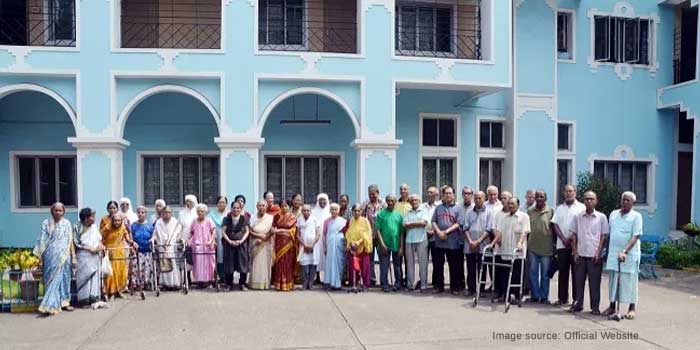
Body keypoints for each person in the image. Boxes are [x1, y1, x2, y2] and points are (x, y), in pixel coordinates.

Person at [603, 191, 643, 320]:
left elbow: (635, 236)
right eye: (623, 200)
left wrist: (624, 251)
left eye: (628, 200)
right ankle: (612, 306)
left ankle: (632, 308)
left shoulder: (636, 216)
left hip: (629, 255)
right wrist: (605, 251)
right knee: (614, 280)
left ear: (633, 203)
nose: (625, 202)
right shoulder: (613, 214)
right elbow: (609, 234)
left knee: (630, 281)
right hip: (614, 253)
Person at [569, 191, 609, 314]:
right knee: (578, 282)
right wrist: (575, 252)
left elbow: (603, 236)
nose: (589, 201)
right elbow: (574, 235)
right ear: (584, 201)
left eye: (591, 199)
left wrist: (599, 253)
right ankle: (578, 304)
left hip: (594, 256)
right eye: (586, 199)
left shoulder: (601, 217)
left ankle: (595, 307)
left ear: (596, 201)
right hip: (580, 254)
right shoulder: (577, 216)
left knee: (595, 283)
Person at [34, 202, 75, 315]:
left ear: (63, 212)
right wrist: (41, 259)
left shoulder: (67, 223)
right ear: (52, 211)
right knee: (51, 279)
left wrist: (74, 256)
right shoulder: (46, 223)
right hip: (50, 255)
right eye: (55, 210)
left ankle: (65, 302)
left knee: (65, 278)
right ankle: (50, 304)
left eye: (60, 210)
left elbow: (70, 240)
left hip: (64, 256)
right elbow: (41, 241)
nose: (58, 212)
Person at [551, 185, 586, 306]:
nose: (568, 193)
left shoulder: (582, 207)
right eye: (566, 191)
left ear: (575, 193)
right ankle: (562, 298)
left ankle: (577, 299)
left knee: (577, 274)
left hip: (576, 246)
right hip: (562, 245)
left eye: (571, 191)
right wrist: (563, 239)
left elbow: (583, 225)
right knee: (563, 272)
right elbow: (554, 225)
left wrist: (570, 238)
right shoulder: (560, 208)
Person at [491, 197, 530, 302]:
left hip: (517, 251)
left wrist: (520, 243)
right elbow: (499, 232)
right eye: (509, 204)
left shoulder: (523, 216)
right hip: (505, 250)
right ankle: (506, 294)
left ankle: (516, 295)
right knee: (505, 274)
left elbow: (525, 232)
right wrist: (492, 243)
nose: (510, 206)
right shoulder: (504, 217)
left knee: (517, 274)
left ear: (518, 205)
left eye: (512, 204)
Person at [431, 186, 464, 294]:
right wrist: (439, 232)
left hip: (453, 242)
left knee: (454, 266)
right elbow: (433, 221)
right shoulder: (438, 208)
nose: (448, 195)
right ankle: (438, 286)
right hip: (439, 241)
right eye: (446, 193)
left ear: (453, 195)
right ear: (443, 195)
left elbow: (459, 223)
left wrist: (446, 232)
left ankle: (454, 287)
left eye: (450, 193)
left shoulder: (458, 208)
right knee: (438, 266)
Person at [525, 190, 555, 304]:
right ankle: (535, 295)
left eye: (541, 196)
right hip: (532, 246)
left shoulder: (551, 211)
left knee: (545, 274)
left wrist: (555, 246)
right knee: (532, 272)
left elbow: (554, 228)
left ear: (545, 198)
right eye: (537, 197)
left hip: (546, 247)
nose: (539, 198)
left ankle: (544, 297)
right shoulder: (530, 211)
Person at [463, 191, 493, 296]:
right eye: (475, 198)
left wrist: (478, 241)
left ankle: (481, 289)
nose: (477, 200)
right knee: (470, 267)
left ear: (484, 198)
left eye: (479, 198)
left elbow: (489, 229)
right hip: (470, 244)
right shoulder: (469, 212)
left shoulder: (489, 212)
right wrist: (471, 241)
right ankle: (471, 289)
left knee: (482, 268)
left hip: (483, 244)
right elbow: (465, 228)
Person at [74, 207, 104, 307]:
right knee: (84, 278)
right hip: (83, 257)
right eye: (92, 216)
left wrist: (100, 246)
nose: (94, 218)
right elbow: (76, 243)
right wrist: (89, 249)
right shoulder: (77, 227)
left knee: (94, 277)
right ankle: (83, 300)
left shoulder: (94, 227)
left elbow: (99, 239)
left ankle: (94, 298)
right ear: (86, 218)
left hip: (95, 256)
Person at [102, 214, 135, 299]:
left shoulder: (123, 228)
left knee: (121, 272)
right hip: (110, 251)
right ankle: (111, 292)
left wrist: (133, 243)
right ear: (112, 221)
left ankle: (119, 291)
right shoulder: (107, 228)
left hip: (120, 251)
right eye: (115, 220)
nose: (117, 222)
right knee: (111, 273)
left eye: (119, 220)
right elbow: (101, 239)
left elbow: (127, 238)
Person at [221, 201, 250, 291]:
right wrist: (229, 241)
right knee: (229, 264)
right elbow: (223, 231)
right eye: (234, 207)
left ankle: (242, 284)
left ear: (241, 209)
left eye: (238, 208)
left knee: (242, 264)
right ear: (231, 208)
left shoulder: (244, 218)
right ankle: (229, 284)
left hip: (241, 245)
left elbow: (247, 231)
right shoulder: (227, 218)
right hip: (229, 245)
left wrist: (241, 240)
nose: (236, 209)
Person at [403, 194, 429, 292]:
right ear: (410, 202)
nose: (414, 202)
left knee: (423, 263)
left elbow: (424, 223)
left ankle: (423, 285)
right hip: (409, 240)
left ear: (419, 201)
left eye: (416, 200)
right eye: (412, 200)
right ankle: (410, 285)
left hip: (422, 239)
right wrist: (416, 223)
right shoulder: (407, 212)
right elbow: (404, 224)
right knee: (410, 264)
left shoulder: (423, 211)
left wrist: (411, 224)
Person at [362, 184, 387, 286]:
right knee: (370, 259)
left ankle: (383, 281)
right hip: (369, 236)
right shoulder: (365, 204)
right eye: (369, 194)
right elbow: (362, 218)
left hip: (381, 235)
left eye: (373, 194)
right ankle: (371, 279)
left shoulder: (384, 204)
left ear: (378, 193)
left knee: (383, 259)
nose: (371, 196)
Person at [154, 206, 183, 290]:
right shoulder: (158, 222)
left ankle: (175, 284)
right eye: (165, 212)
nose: (167, 214)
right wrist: (153, 239)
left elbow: (178, 234)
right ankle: (165, 284)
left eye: (169, 212)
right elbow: (155, 234)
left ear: (171, 213)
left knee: (173, 264)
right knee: (164, 264)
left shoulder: (176, 222)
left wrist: (179, 240)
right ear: (162, 213)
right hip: (162, 246)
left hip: (172, 246)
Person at [345, 203, 373, 290]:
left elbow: (368, 234)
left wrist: (359, 242)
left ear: (361, 211)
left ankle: (365, 284)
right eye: (355, 211)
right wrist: (351, 243)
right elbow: (347, 234)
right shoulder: (350, 221)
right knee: (353, 267)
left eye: (358, 211)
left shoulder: (365, 221)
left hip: (363, 247)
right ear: (352, 211)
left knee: (365, 267)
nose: (357, 212)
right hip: (353, 248)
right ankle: (354, 283)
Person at [272, 199, 298, 291]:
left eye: (286, 206)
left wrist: (281, 231)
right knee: (279, 263)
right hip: (278, 243)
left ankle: (288, 284)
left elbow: (293, 231)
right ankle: (279, 284)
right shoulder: (276, 217)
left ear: (290, 207)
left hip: (289, 244)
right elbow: (273, 229)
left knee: (288, 263)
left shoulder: (292, 217)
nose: (284, 207)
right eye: (282, 206)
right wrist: (278, 231)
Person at [249, 200, 274, 290]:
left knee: (264, 264)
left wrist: (264, 238)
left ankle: (265, 284)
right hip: (255, 242)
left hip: (266, 243)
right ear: (256, 207)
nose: (261, 207)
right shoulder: (252, 217)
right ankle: (254, 283)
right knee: (256, 263)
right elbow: (250, 231)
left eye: (263, 205)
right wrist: (259, 236)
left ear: (266, 207)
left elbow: (272, 231)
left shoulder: (270, 218)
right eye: (259, 205)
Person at [189, 204, 216, 287]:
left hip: (207, 245)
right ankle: (199, 281)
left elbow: (213, 232)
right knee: (198, 264)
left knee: (208, 263)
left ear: (205, 212)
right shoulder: (194, 221)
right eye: (198, 211)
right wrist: (188, 241)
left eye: (202, 211)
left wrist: (211, 241)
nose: (200, 213)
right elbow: (191, 232)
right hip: (198, 246)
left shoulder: (209, 220)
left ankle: (208, 280)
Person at [323, 203, 347, 290]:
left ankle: (338, 283)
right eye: (332, 209)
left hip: (339, 245)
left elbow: (346, 234)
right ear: (330, 210)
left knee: (339, 263)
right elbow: (324, 235)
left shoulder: (343, 221)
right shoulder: (326, 221)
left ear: (338, 211)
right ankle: (329, 282)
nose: (334, 211)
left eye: (335, 209)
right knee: (330, 263)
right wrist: (324, 247)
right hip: (330, 245)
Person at [130, 206, 155, 290]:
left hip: (147, 250)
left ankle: (146, 283)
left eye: (142, 212)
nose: (140, 214)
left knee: (147, 267)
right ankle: (136, 284)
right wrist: (133, 243)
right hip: (137, 250)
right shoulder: (134, 225)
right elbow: (131, 237)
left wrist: (152, 239)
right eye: (139, 212)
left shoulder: (150, 226)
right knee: (137, 267)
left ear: (145, 214)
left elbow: (153, 236)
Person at [420, 186, 440, 287]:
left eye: (431, 192)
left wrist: (434, 230)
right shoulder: (422, 206)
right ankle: (423, 282)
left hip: (435, 235)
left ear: (436, 195)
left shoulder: (439, 206)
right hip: (423, 234)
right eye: (428, 192)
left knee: (436, 260)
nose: (429, 194)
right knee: (423, 260)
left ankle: (436, 282)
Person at [298, 204, 320, 289]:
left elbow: (318, 234)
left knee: (313, 265)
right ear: (302, 211)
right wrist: (305, 245)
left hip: (313, 246)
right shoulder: (299, 220)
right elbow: (297, 235)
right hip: (303, 246)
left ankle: (310, 284)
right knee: (304, 266)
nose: (306, 212)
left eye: (308, 210)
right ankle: (304, 283)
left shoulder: (314, 219)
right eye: (304, 210)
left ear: (311, 211)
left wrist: (312, 245)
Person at [311, 193, 332, 281]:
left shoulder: (330, 211)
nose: (322, 202)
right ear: (318, 201)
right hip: (317, 238)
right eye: (321, 200)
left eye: (324, 200)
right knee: (317, 256)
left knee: (326, 257)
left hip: (327, 237)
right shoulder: (313, 211)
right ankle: (317, 277)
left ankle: (326, 278)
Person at [209, 196, 229, 283]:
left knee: (226, 257)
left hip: (227, 239)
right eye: (220, 202)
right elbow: (208, 228)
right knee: (216, 258)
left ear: (226, 204)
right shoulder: (211, 215)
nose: (221, 204)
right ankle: (217, 277)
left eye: (223, 202)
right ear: (217, 204)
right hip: (215, 238)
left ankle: (226, 277)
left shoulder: (229, 214)